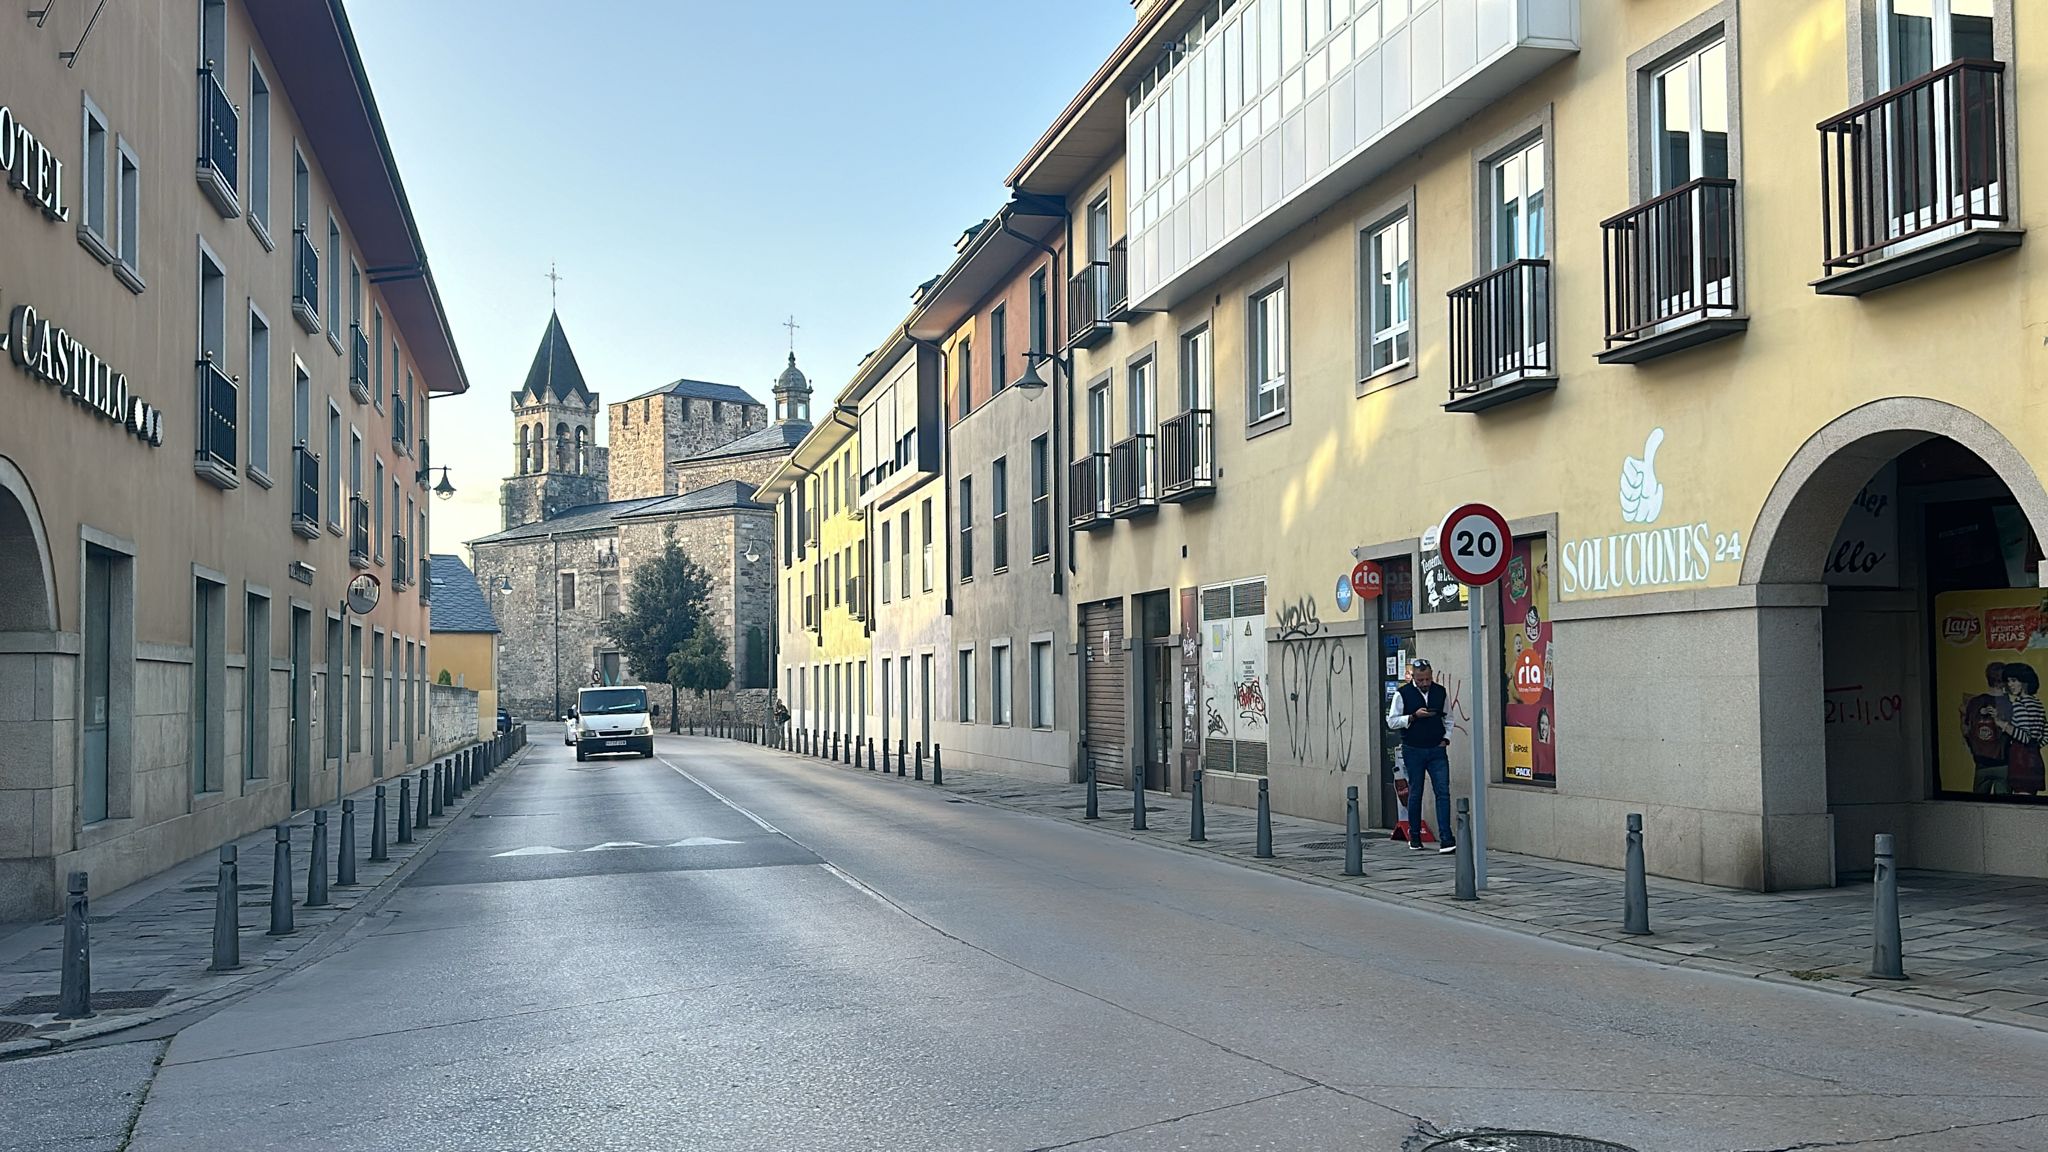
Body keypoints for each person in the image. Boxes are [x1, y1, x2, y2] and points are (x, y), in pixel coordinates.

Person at [1387, 657, 1455, 853]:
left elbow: (1448, 717)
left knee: (1443, 792)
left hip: (1436, 748)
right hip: (1413, 748)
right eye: (1420, 680)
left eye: (1427, 679)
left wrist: (1446, 738)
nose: (1425, 683)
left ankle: (1446, 839)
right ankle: (1414, 836)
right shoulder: (1403, 694)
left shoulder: (1440, 692)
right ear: (1413, 678)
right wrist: (1413, 716)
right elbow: (1392, 721)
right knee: (1416, 791)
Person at [1997, 662, 2044, 795]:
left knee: (2021, 802)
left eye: (2014, 680)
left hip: (2021, 759)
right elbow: (2046, 734)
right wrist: (2034, 745)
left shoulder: (2019, 704)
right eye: (2008, 681)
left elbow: (2025, 737)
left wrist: (2002, 724)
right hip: (2035, 759)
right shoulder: (2037, 704)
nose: (2010, 684)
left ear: (2025, 681)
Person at [1965, 661, 2010, 794]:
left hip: (1981, 763)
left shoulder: (1974, 702)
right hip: (2003, 763)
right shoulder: (2009, 704)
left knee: (1977, 807)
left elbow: (1966, 730)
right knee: (2005, 809)